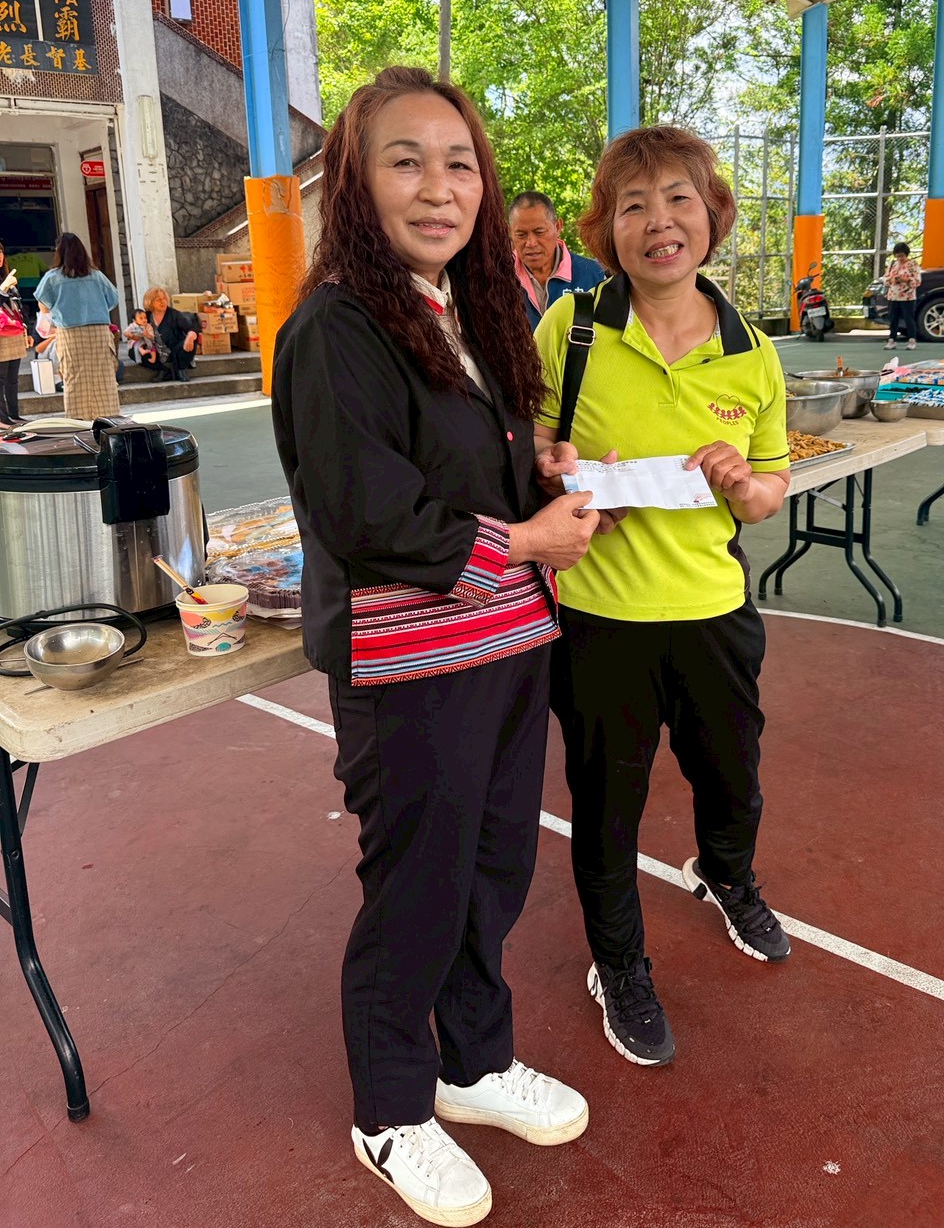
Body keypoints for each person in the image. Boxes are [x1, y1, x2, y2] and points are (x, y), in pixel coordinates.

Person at [271, 67, 597, 1227]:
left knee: (493, 865)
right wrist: (530, 538)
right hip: (410, 665)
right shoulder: (335, 326)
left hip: (503, 641)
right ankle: (391, 1107)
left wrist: (540, 473)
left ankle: (473, 1059)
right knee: (416, 883)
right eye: (404, 161)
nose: (438, 187)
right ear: (355, 186)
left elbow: (467, 472)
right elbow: (367, 512)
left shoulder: (466, 309)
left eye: (459, 163)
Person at [533, 126, 792, 1069]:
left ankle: (726, 875)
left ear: (712, 215)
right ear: (607, 228)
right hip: (602, 620)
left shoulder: (752, 351)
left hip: (716, 612)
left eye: (679, 198)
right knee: (609, 803)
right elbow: (531, 443)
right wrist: (558, 467)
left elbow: (769, 493)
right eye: (633, 205)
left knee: (734, 778)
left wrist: (742, 481)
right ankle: (619, 963)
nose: (659, 222)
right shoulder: (572, 328)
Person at [33, 233, 120, 421]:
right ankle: (108, 423)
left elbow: (43, 304)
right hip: (99, 331)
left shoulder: (53, 277)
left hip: (70, 334)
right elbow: (113, 299)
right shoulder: (97, 276)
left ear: (59, 252)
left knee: (74, 380)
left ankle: (78, 423)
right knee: (104, 379)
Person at [510, 191, 605, 328]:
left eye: (539, 232)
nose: (531, 243)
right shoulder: (497, 278)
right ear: (510, 232)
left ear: (558, 227)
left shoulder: (594, 275)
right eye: (521, 234)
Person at [137, 288, 199, 380]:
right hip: (156, 351)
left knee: (191, 341)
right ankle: (164, 371)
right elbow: (135, 330)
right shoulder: (145, 316)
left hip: (175, 350)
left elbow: (191, 328)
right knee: (135, 351)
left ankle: (181, 369)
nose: (163, 302)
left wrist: (190, 336)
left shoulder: (174, 314)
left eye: (164, 298)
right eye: (159, 300)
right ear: (150, 302)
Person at [0, 245, 29, 426]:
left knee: (12, 378)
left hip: (14, 330)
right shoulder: (5, 281)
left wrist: (26, 328)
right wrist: (3, 289)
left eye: (0, 252)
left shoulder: (6, 275)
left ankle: (14, 414)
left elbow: (17, 305)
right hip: (1, 332)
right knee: (1, 378)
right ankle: (2, 418)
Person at [884, 241, 921, 349]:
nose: (900, 258)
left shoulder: (912, 264)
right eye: (898, 256)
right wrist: (891, 280)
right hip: (893, 296)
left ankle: (912, 340)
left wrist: (906, 279)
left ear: (906, 254)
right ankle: (892, 340)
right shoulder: (892, 264)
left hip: (907, 297)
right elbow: (886, 279)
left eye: (902, 256)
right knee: (893, 319)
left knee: (909, 319)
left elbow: (917, 281)